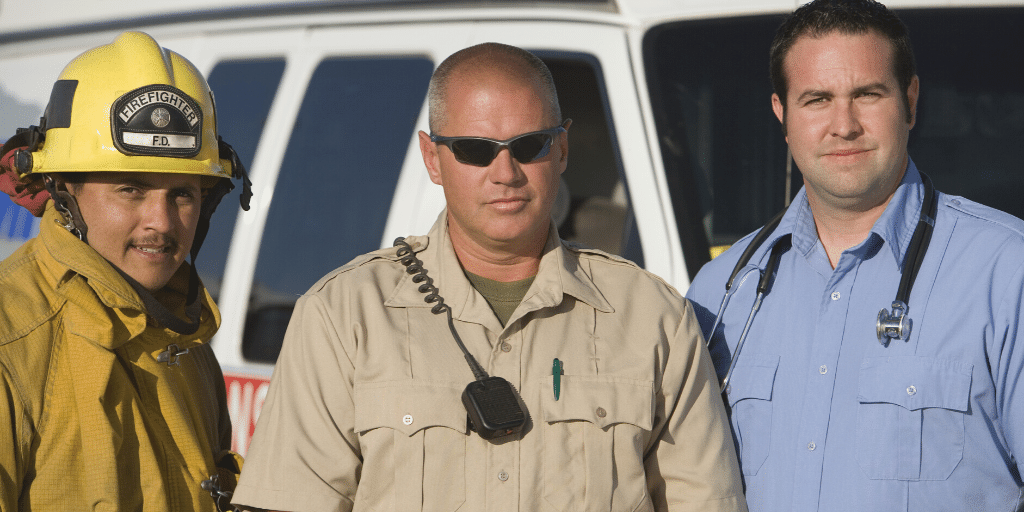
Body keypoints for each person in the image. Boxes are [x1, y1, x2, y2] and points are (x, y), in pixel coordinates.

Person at [231, 42, 745, 512]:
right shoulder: (342, 318)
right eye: (475, 150)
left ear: (561, 150)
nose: (506, 172)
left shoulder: (654, 317)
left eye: (529, 146)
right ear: (433, 158)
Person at [685, 0, 1024, 510]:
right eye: (817, 99)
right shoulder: (720, 291)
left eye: (867, 94)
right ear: (781, 113)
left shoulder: (1006, 270)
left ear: (910, 100)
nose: (844, 125)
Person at [0, 31, 252, 511]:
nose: (161, 222)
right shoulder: (12, 345)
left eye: (183, 194)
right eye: (131, 189)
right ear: (63, 189)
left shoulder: (187, 345)